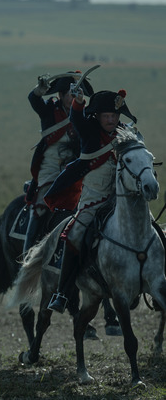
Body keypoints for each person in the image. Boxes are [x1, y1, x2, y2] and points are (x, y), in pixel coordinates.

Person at [44, 89, 137, 313]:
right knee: (73, 235)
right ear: (97, 116)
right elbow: (76, 118)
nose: (111, 119)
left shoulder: (127, 134)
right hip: (93, 202)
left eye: (114, 116)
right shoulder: (89, 132)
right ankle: (62, 293)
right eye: (106, 115)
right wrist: (78, 102)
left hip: (121, 202)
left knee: (150, 229)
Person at [23, 72, 93, 256]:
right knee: (40, 207)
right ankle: (27, 255)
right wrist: (39, 91)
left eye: (78, 92)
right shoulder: (49, 110)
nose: (75, 96)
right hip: (51, 168)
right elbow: (34, 100)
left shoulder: (85, 114)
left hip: (77, 170)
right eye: (70, 93)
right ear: (61, 95)